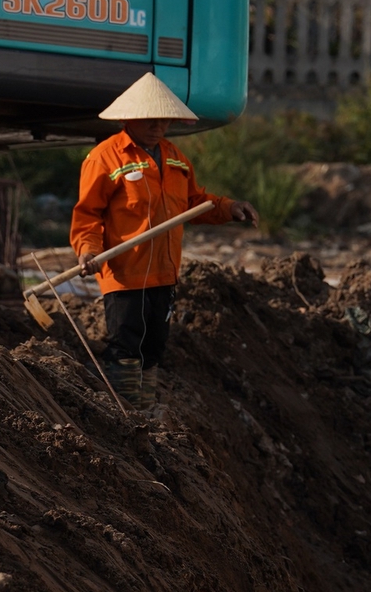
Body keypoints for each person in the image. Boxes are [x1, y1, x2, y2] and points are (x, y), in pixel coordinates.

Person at [70, 72, 258, 408]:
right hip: (124, 273)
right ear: (130, 118)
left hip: (164, 271)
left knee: (154, 347)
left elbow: (193, 204)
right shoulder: (106, 158)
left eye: (164, 119)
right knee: (126, 345)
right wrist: (89, 249)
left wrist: (230, 208)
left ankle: (145, 409)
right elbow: (88, 215)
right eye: (150, 119)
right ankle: (123, 410)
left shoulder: (174, 158)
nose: (158, 126)